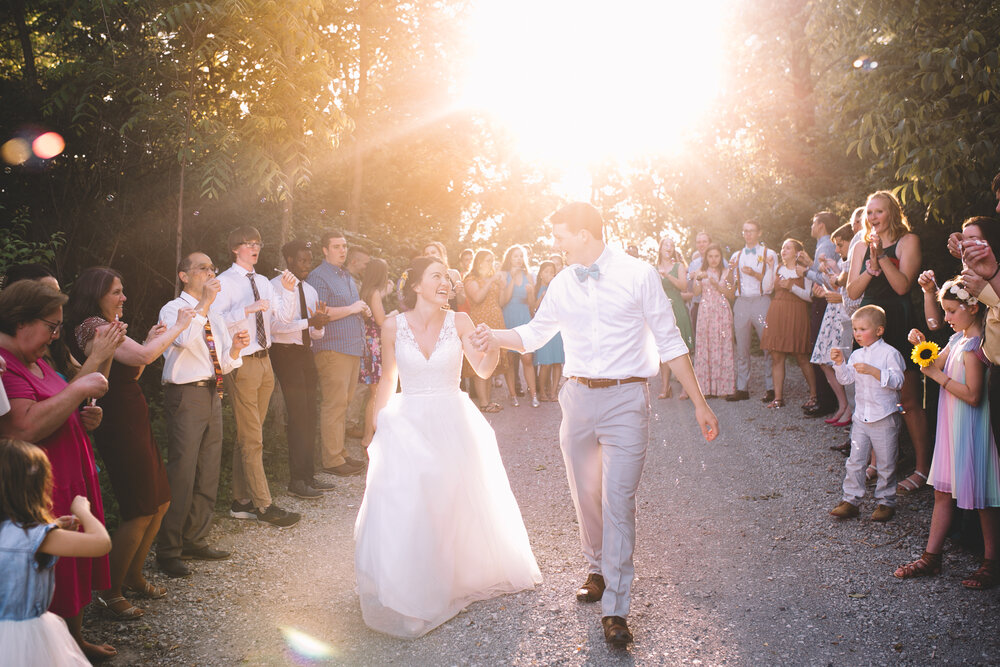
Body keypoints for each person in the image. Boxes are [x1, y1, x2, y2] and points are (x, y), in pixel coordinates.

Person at [473, 202, 719, 647]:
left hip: (627, 398)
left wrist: (700, 403)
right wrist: (494, 336)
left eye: (560, 235)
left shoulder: (639, 274)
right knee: (586, 493)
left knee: (618, 499)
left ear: (584, 234)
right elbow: (533, 334)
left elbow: (669, 340)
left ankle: (616, 610)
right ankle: (597, 569)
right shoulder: (564, 282)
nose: (555, 245)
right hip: (577, 398)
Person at [354, 257, 541, 638]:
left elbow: (484, 369)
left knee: (447, 496)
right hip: (407, 420)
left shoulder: (460, 320)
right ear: (416, 285)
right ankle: (411, 585)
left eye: (447, 277)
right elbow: (388, 378)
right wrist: (377, 427)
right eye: (436, 276)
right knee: (408, 497)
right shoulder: (392, 325)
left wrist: (491, 347)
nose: (446, 282)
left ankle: (445, 578)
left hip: (452, 417)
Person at [64, 266, 198, 617]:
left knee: (160, 500)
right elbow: (144, 357)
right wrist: (180, 326)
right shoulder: (93, 327)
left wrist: (153, 335)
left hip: (133, 413)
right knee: (139, 505)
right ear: (96, 295)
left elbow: (134, 368)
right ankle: (109, 593)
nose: (124, 297)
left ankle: (133, 575)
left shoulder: (108, 327)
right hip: (116, 420)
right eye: (116, 292)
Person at [0, 280, 116, 660]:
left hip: (68, 473)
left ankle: (73, 641)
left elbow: (56, 407)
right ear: (20, 322)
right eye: (51, 326)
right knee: (54, 569)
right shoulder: (7, 364)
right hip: (38, 486)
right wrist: (79, 391)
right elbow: (24, 427)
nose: (55, 335)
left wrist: (84, 417)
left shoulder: (38, 359)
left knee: (70, 570)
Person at [894, 279, 1000, 587]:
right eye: (946, 311)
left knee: (982, 497)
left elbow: (973, 395)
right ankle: (931, 557)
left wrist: (937, 376)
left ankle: (991, 562)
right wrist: (921, 346)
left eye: (952, 311)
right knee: (942, 492)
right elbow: (934, 362)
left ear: (973, 307)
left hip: (972, 426)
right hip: (952, 425)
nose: (948, 318)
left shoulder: (976, 346)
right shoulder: (957, 340)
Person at [156, 252, 250, 578]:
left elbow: (221, 360)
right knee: (182, 471)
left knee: (208, 469)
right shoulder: (172, 310)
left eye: (212, 268)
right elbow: (181, 340)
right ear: (184, 275)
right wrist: (205, 305)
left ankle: (194, 538)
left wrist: (236, 349)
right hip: (185, 395)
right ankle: (168, 550)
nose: (209, 273)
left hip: (212, 392)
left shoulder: (216, 316)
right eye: (201, 269)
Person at [215, 226, 302, 527]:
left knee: (248, 436)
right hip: (242, 362)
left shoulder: (264, 281)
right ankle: (264, 506)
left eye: (258, 243)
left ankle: (240, 502)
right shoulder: (223, 283)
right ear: (234, 248)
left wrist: (288, 291)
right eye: (248, 244)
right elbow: (216, 324)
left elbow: (284, 318)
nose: (254, 248)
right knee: (253, 439)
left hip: (266, 362)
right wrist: (247, 309)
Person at [0, 439, 112, 666]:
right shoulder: (40, 538)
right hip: (29, 637)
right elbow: (101, 543)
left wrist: (54, 526)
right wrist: (83, 511)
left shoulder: (12, 532)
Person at [846, 191, 929, 496]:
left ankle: (923, 468)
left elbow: (902, 285)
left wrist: (881, 255)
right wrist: (869, 266)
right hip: (868, 319)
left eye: (879, 212)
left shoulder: (909, 242)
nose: (872, 218)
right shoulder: (860, 245)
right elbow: (852, 292)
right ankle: (877, 461)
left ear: (892, 213)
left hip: (897, 318)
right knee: (871, 396)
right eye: (869, 213)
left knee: (907, 400)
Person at [269, 241, 334, 501]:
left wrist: (319, 324)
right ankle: (296, 480)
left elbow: (316, 334)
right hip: (285, 354)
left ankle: (308, 475)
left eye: (310, 260)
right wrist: (309, 321)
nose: (307, 265)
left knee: (309, 414)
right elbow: (275, 326)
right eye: (302, 260)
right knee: (297, 415)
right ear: (288, 259)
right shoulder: (275, 286)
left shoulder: (310, 289)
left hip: (306, 354)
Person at [829, 305, 904, 521]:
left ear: (879, 330)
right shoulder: (856, 354)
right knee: (855, 460)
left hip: (884, 416)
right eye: (855, 329)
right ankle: (851, 499)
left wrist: (874, 371)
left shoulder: (890, 354)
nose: (857, 334)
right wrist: (839, 363)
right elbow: (845, 380)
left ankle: (886, 501)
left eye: (862, 329)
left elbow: (899, 381)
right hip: (861, 417)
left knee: (887, 461)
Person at [307, 230, 370, 478]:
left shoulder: (344, 274)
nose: (342, 250)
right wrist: (352, 308)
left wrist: (359, 311)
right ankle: (331, 460)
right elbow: (321, 313)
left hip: (352, 348)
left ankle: (340, 452)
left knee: (344, 403)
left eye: (344, 246)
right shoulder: (318, 277)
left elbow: (348, 308)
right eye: (336, 246)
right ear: (324, 250)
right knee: (334, 404)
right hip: (333, 348)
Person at [759, 239, 817, 408]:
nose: (783, 250)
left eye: (788, 248)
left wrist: (791, 287)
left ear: (797, 252)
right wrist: (770, 268)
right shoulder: (777, 269)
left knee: (802, 356)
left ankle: (814, 395)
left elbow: (809, 296)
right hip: (777, 313)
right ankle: (778, 398)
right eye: (782, 247)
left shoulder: (803, 271)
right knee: (776, 356)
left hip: (797, 313)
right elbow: (766, 288)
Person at [809, 224, 856, 427]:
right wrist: (825, 288)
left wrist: (833, 288)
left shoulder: (853, 261)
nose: (836, 249)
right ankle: (843, 404)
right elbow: (836, 286)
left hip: (844, 314)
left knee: (839, 360)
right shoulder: (841, 260)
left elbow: (846, 292)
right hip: (832, 311)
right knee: (823, 360)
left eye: (840, 245)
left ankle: (850, 409)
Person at [727, 219, 778, 403]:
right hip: (741, 302)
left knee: (768, 345)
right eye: (745, 231)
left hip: (762, 300)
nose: (748, 234)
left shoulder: (769, 254)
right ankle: (742, 388)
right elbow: (729, 284)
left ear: (759, 232)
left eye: (751, 230)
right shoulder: (736, 256)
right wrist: (728, 274)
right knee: (742, 346)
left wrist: (755, 274)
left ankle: (771, 387)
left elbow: (772, 282)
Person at [802, 212, 840, 417]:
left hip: (825, 300)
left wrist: (804, 271)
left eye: (813, 222)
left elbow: (826, 278)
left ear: (821, 225)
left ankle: (826, 401)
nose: (811, 226)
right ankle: (828, 400)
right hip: (823, 299)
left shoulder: (825, 246)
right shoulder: (823, 245)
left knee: (819, 348)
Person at [463, 249, 510, 412]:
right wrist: (490, 280)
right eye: (487, 260)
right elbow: (477, 297)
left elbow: (502, 301)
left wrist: (503, 287)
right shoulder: (471, 279)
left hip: (496, 320)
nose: (490, 263)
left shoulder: (493, 280)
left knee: (492, 361)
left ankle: (488, 400)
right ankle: (483, 403)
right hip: (480, 321)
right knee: (480, 359)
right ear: (479, 262)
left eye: (492, 260)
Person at [691, 243, 735, 398]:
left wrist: (716, 284)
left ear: (720, 257)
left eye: (717, 256)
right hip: (705, 311)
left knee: (723, 346)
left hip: (721, 310)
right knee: (705, 346)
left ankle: (723, 388)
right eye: (710, 256)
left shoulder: (726, 272)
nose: (714, 259)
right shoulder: (701, 271)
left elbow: (731, 294)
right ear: (706, 258)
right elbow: (696, 292)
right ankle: (706, 389)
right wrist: (697, 279)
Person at [500, 244, 539, 407]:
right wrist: (511, 280)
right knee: (509, 357)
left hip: (523, 317)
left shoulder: (528, 275)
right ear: (509, 258)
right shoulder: (503, 275)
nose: (518, 259)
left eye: (520, 256)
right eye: (515, 256)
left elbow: (531, 306)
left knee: (527, 357)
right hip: (508, 316)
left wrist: (530, 293)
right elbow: (503, 302)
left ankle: (533, 394)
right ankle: (513, 394)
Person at [656, 237, 694, 399]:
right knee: (663, 350)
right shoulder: (655, 267)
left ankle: (687, 388)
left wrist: (668, 276)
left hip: (677, 308)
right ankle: (666, 387)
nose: (669, 247)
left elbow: (683, 287)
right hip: (662, 310)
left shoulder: (678, 266)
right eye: (666, 245)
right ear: (660, 248)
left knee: (682, 348)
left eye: (672, 245)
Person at [358, 258, 390, 448]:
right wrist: (395, 315)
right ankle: (368, 437)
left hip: (368, 343)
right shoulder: (375, 293)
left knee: (375, 392)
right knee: (376, 393)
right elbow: (381, 321)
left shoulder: (366, 291)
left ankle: (371, 435)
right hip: (375, 344)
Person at [532, 261, 564, 401]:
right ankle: (543, 393)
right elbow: (533, 309)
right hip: (544, 328)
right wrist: (542, 297)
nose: (549, 274)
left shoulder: (558, 289)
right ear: (540, 274)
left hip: (557, 328)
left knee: (557, 362)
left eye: (552, 272)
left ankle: (553, 391)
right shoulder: (538, 289)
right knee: (545, 363)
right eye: (546, 272)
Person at [423, 241, 465, 310]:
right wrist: (443, 295)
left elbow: (461, 301)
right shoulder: (423, 276)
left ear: (441, 254)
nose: (430, 255)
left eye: (433, 252)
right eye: (426, 254)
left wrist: (458, 292)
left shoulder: (453, 273)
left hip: (451, 316)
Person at [686, 231, 712, 333]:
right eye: (699, 242)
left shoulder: (720, 261)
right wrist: (690, 277)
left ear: (710, 243)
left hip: (715, 306)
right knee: (699, 341)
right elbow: (688, 289)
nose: (701, 244)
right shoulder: (693, 264)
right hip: (697, 306)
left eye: (704, 241)